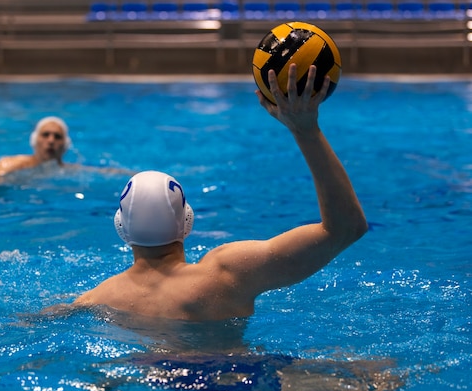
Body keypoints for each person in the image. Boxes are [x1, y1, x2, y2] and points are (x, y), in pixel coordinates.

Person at [48, 64, 368, 321]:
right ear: (187, 222)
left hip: (149, 377)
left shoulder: (97, 299)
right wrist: (306, 129)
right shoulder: (227, 274)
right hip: (233, 381)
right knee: (379, 376)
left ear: (121, 228)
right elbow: (344, 229)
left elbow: (38, 320)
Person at [0, 116, 73, 179]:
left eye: (57, 137)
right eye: (45, 135)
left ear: (65, 144)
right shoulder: (10, 166)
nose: (51, 141)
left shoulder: (72, 172)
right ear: (34, 140)